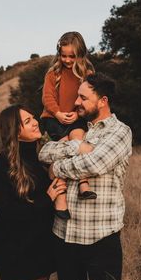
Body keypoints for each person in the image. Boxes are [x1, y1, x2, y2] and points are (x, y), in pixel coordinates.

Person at [39, 72, 132, 280]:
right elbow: (43, 152)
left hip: (100, 238)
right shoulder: (79, 130)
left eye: (83, 97)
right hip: (64, 237)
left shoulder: (120, 132)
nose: (76, 102)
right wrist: (79, 146)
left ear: (102, 100)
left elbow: (96, 164)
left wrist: (57, 166)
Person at [0, 104, 66, 280]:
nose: (35, 122)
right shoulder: (3, 163)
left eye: (34, 118)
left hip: (41, 244)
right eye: (28, 120)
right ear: (15, 129)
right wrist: (47, 198)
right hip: (12, 248)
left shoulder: (44, 159)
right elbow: (7, 212)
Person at [41, 31, 96, 220]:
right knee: (64, 149)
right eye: (63, 55)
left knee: (79, 141)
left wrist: (75, 111)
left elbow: (86, 97)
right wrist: (57, 113)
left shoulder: (87, 73)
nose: (67, 59)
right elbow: (47, 97)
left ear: (80, 54)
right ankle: (61, 199)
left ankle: (83, 183)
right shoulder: (53, 73)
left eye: (71, 56)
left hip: (75, 117)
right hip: (53, 118)